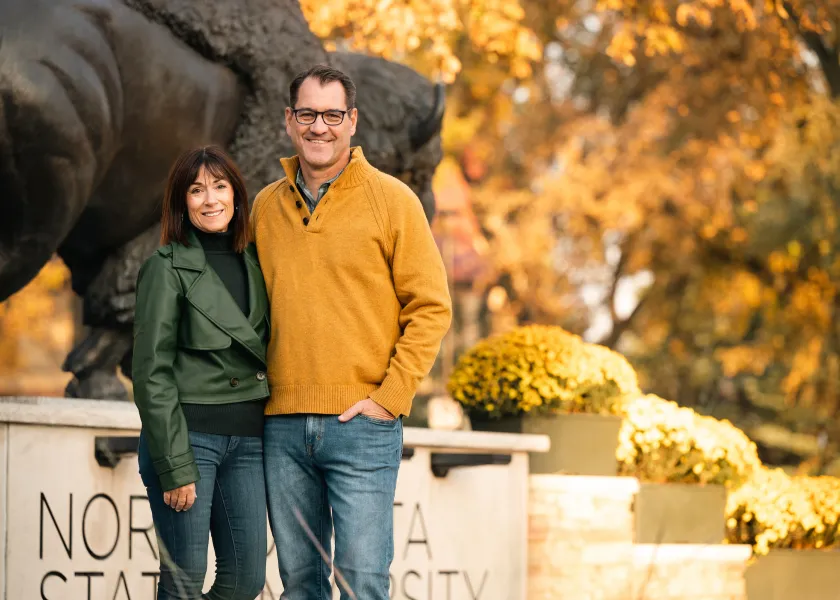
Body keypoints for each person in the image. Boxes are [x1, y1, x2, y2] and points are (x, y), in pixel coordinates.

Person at [250, 64, 453, 599]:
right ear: (288, 121)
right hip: (283, 427)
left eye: (333, 114)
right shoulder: (265, 207)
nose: (321, 127)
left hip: (363, 425)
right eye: (308, 114)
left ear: (353, 120)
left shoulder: (393, 201)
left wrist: (390, 398)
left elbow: (431, 307)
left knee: (362, 583)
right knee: (300, 584)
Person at [133, 146, 270, 600]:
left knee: (246, 580)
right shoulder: (165, 268)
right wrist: (174, 464)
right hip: (189, 438)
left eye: (220, 185)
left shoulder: (258, 261)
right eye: (196, 190)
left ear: (236, 193)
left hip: (248, 441)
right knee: (184, 582)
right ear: (181, 203)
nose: (210, 199)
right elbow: (151, 372)